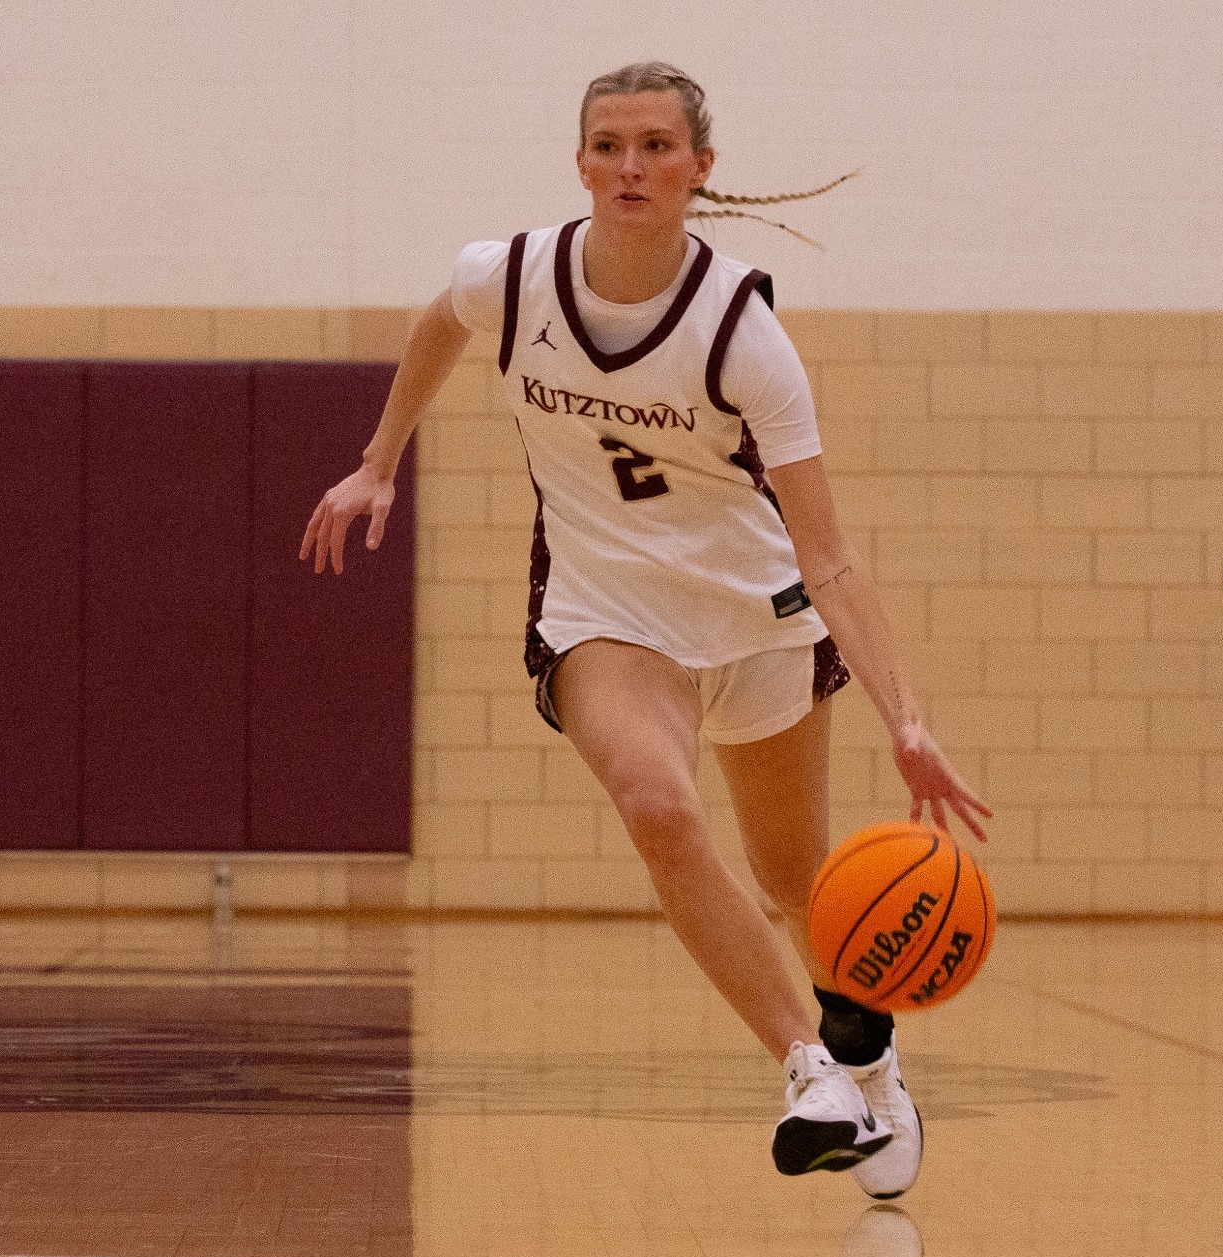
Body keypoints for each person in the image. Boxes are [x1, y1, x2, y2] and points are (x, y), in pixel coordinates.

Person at [300, 61, 989, 1199]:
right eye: (610, 145)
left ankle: (869, 1058)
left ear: (698, 170)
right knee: (659, 805)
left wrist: (906, 723)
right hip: (604, 614)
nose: (631, 166)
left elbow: (827, 557)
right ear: (580, 163)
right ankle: (809, 1069)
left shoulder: (742, 335)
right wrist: (379, 464)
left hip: (754, 614)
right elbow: (436, 325)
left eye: (657, 146)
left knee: (794, 877)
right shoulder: (513, 277)